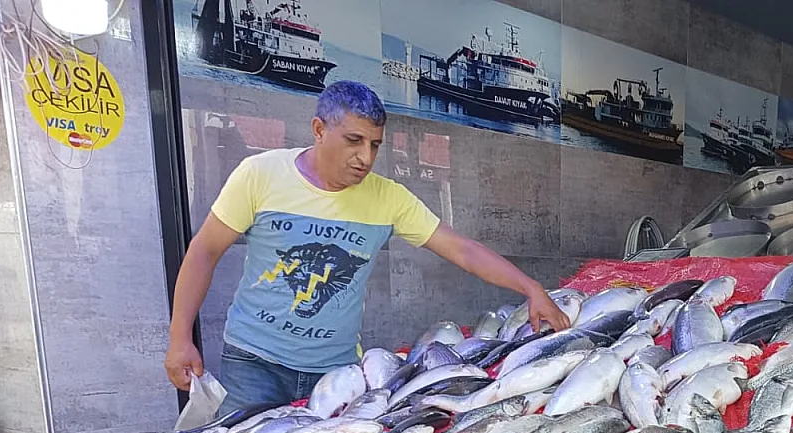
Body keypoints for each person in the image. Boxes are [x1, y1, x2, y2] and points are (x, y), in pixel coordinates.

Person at [165, 80, 569, 409]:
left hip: (335, 371)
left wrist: (530, 288)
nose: (365, 157)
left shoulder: (387, 197)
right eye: (354, 140)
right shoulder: (260, 175)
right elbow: (205, 250)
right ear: (319, 130)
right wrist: (180, 336)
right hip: (253, 365)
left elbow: (461, 249)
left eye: (374, 144)